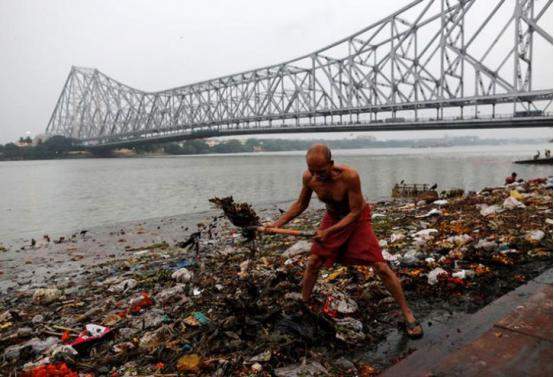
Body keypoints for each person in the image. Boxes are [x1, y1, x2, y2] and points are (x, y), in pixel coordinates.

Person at [269, 144, 423, 338]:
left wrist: (329, 232)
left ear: (331, 164)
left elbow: (356, 211)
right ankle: (304, 306)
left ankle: (407, 313)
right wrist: (277, 224)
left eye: (321, 171)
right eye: (312, 170)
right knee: (313, 261)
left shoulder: (349, 176)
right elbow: (301, 204)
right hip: (332, 217)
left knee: (380, 266)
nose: (317, 176)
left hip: (356, 219)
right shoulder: (309, 178)